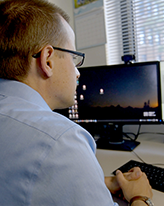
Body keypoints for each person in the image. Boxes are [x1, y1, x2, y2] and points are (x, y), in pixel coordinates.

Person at [0, 1, 152, 206]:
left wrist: (100, 182)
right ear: (48, 61)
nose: (78, 72)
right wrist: (139, 196)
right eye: (74, 58)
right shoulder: (60, 141)